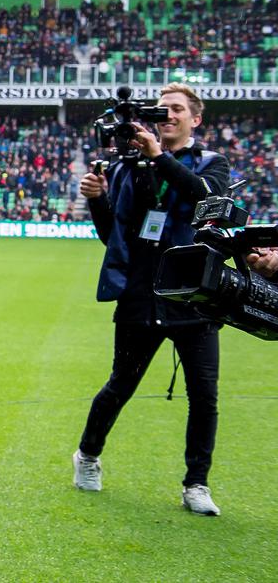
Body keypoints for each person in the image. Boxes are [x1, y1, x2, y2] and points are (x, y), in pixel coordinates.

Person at [72, 83, 230, 515]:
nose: (168, 115)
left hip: (196, 296)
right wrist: (97, 201)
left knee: (204, 395)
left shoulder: (214, 164)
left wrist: (159, 157)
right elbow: (114, 236)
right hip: (142, 293)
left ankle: (196, 484)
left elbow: (208, 201)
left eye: (177, 109)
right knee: (120, 385)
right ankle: (87, 455)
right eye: (162, 109)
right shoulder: (129, 166)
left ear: (195, 119)